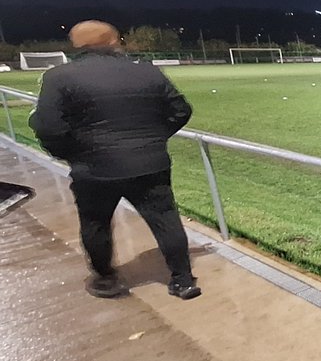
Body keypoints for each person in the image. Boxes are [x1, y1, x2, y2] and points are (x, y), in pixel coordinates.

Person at [30, 21, 202, 300]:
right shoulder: (146, 71)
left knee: (96, 223)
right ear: (114, 41)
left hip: (94, 168)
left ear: (76, 45)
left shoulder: (59, 77)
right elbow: (180, 111)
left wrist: (70, 153)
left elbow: (48, 127)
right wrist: (153, 138)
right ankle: (183, 280)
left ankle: (106, 280)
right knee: (165, 220)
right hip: (148, 164)